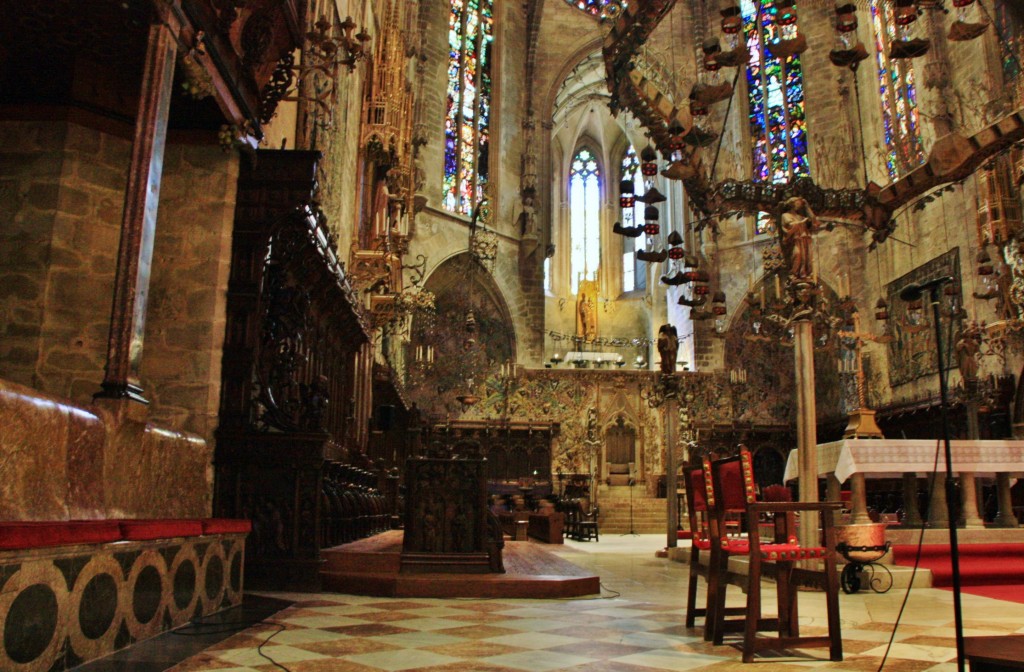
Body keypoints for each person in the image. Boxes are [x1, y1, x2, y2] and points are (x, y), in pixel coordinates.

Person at [779, 196, 820, 280]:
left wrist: (807, 207)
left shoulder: (800, 216)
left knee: (807, 258)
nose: (799, 205)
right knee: (797, 254)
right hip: (795, 240)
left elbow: (814, 221)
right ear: (792, 204)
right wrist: (802, 222)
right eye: (798, 203)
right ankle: (794, 273)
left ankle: (805, 274)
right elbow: (790, 226)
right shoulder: (785, 215)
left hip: (805, 239)